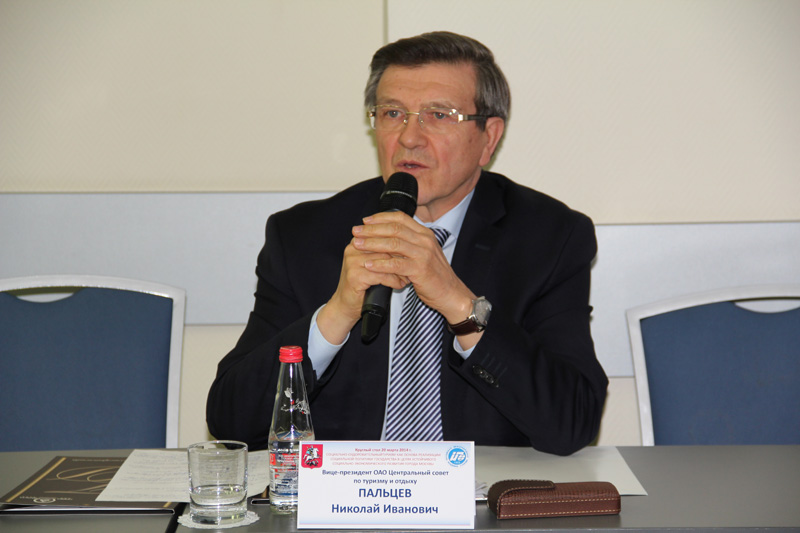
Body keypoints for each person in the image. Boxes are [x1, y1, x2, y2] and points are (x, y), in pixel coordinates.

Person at [207, 31, 608, 456]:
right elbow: (232, 422)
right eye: (393, 113)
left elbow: (573, 423)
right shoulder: (303, 235)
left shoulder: (550, 237)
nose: (409, 137)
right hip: (347, 492)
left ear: (488, 138)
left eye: (439, 115)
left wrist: (460, 305)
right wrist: (336, 313)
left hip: (481, 491)